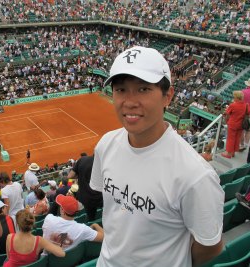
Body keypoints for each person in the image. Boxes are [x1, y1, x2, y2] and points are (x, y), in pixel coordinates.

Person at [89, 46, 224, 267]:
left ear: (167, 96)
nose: (130, 101)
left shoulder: (195, 175)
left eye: (143, 89)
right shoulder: (106, 145)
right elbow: (117, 215)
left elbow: (210, 246)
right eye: (121, 90)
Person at [67, 154, 103, 222]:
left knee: (91, 219)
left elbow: (69, 176)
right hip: (101, 197)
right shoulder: (103, 163)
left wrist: (80, 175)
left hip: (86, 198)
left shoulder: (82, 159)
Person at [222, 91, 249, 159]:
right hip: (240, 125)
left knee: (231, 138)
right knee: (237, 138)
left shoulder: (233, 105)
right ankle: (233, 152)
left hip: (233, 124)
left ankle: (229, 153)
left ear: (236, 97)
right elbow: (248, 113)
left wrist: (226, 120)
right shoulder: (246, 105)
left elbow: (227, 114)